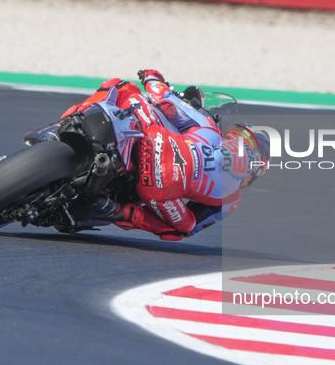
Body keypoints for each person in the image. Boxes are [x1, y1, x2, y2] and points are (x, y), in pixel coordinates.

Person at [62, 69, 270, 241]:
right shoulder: (231, 200)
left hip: (153, 144)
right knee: (182, 229)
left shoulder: (209, 129)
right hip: (159, 192)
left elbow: (165, 99)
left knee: (123, 87)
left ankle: (68, 122)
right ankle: (115, 210)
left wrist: (151, 77)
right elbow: (192, 227)